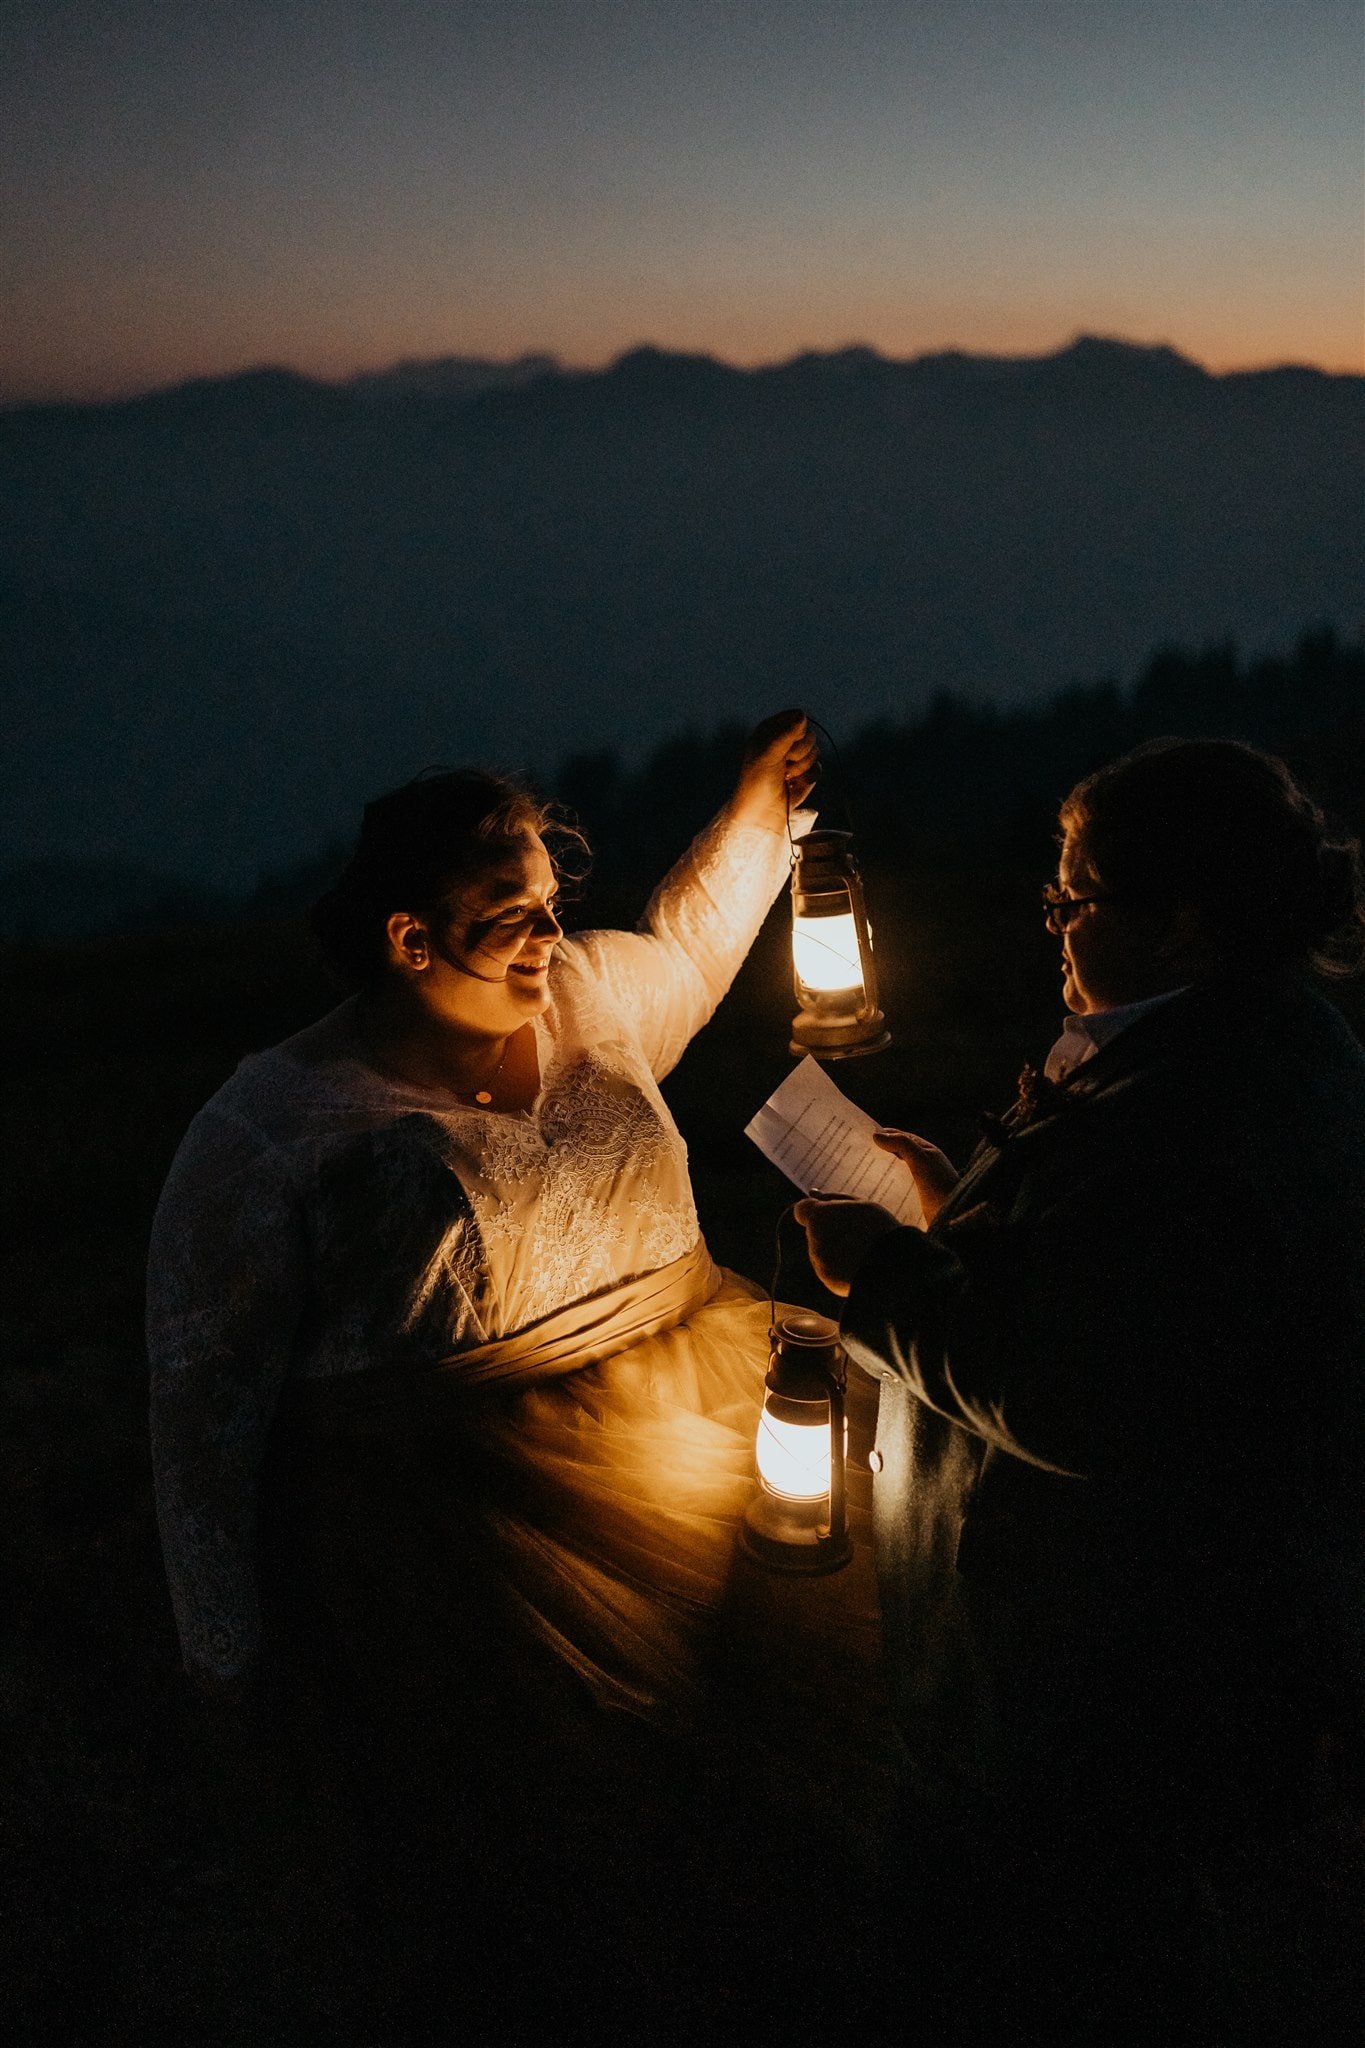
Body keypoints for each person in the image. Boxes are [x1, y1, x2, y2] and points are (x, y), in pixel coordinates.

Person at [147, 712, 844, 2029]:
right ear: (409, 939)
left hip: (698, 1469)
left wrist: (757, 813)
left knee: (739, 1812)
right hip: (461, 1563)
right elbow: (201, 1413)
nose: (545, 931)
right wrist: (228, 1665)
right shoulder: (272, 1130)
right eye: (506, 911)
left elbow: (686, 953)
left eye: (545, 898)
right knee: (531, 1880)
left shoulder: (585, 1000)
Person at [797, 738, 1365, 2037]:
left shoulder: (1206, 1105)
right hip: (1089, 1691)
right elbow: (1118, 1308)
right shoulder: (1226, 1050)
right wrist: (961, 1217)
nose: (1050, 923)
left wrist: (881, 1278)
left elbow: (1075, 1390)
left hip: (1098, 1714)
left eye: (1077, 897)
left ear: (1183, 922)